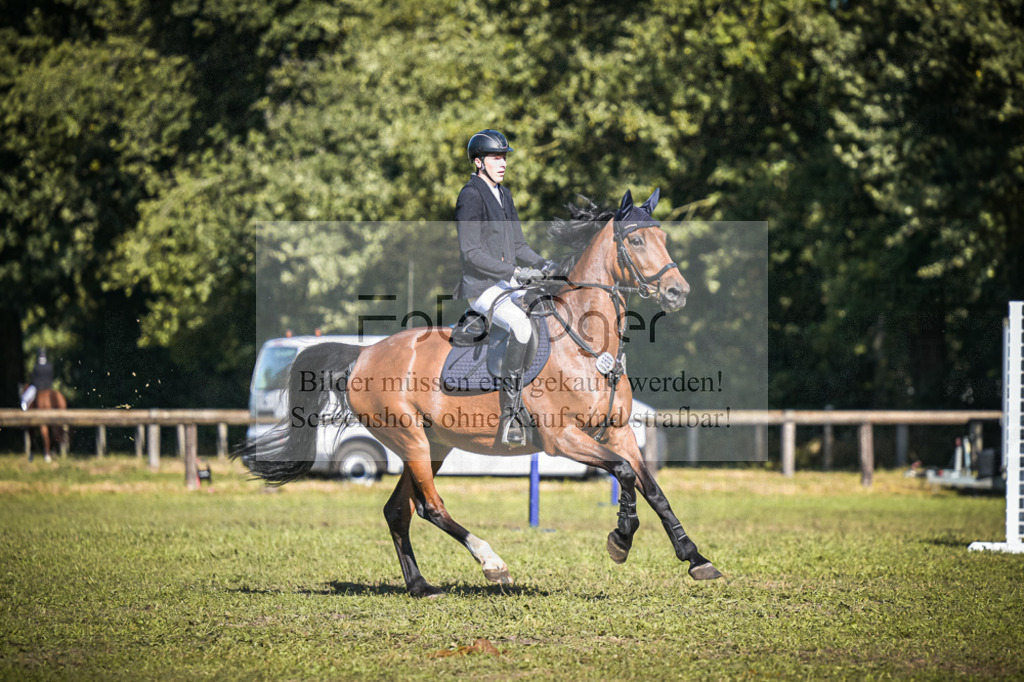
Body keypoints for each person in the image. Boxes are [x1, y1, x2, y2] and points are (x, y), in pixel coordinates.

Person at [453, 129, 554, 446]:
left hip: (507, 283)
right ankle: (510, 417)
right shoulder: (470, 196)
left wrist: (545, 264)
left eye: (505, 157)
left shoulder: (504, 195)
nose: (503, 162)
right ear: (479, 162)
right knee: (521, 326)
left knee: (550, 313)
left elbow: (519, 245)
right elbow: (470, 251)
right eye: (497, 157)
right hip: (483, 287)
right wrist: (515, 270)